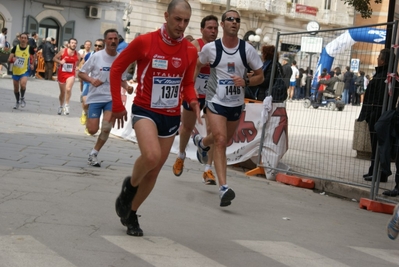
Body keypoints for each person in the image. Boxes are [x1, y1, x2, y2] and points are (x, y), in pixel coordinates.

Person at [110, 0, 201, 236]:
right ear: (166, 16)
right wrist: (118, 104)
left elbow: (188, 83)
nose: (181, 25)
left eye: (186, 21)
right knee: (151, 156)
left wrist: (192, 101)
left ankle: (131, 212)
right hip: (145, 110)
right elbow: (116, 69)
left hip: (170, 116)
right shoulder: (146, 41)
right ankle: (129, 188)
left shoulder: (190, 50)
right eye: (177, 19)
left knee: (154, 171)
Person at [193, 9, 263, 207]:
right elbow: (197, 65)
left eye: (237, 20)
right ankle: (223, 188)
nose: (234, 22)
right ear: (222, 24)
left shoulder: (247, 49)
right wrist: (191, 86)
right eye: (230, 19)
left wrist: (246, 80)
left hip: (236, 104)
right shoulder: (211, 48)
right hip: (215, 101)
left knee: (223, 139)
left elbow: (260, 75)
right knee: (221, 141)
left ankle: (202, 143)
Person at [172, 14, 218, 185]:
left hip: (212, 95)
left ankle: (208, 170)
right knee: (187, 128)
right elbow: (184, 66)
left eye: (215, 28)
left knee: (213, 132)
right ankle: (181, 156)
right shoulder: (194, 45)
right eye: (209, 28)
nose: (213, 31)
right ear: (202, 30)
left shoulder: (219, 47)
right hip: (194, 93)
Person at [79, 29, 131, 167]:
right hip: (96, 97)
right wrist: (91, 80)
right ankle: (86, 111)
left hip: (111, 98)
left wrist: (127, 87)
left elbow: (122, 79)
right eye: (110, 39)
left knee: (107, 127)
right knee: (92, 130)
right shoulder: (97, 56)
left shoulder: (121, 59)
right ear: (105, 41)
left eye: (115, 39)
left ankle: (94, 153)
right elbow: (81, 73)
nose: (113, 41)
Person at [358, 48, 399, 183]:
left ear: (383, 60)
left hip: (379, 116)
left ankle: (380, 172)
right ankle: (374, 170)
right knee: (377, 145)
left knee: (379, 145)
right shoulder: (387, 76)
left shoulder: (386, 78)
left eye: (379, 57)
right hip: (379, 115)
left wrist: (370, 114)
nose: (377, 59)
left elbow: (377, 99)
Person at [80, 38, 105, 134]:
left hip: (99, 84)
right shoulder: (89, 55)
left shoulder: (105, 57)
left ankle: (88, 127)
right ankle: (84, 113)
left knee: (93, 104)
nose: (97, 47)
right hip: (88, 81)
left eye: (100, 46)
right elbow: (81, 66)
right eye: (96, 45)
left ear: (103, 47)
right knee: (86, 103)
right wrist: (82, 80)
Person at [53, 38, 81, 115]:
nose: (73, 44)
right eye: (72, 43)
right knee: (62, 92)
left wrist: (77, 67)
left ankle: (67, 105)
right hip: (62, 73)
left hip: (71, 74)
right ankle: (61, 106)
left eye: (75, 43)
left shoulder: (77, 54)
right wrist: (60, 61)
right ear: (69, 44)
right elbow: (54, 58)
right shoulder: (63, 51)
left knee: (68, 89)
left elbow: (78, 61)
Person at [7, 32, 35, 109]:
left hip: (25, 70)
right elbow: (9, 60)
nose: (23, 39)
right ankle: (17, 101)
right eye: (21, 38)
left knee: (23, 85)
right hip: (16, 71)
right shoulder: (15, 48)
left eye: (25, 38)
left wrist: (32, 64)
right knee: (16, 88)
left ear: (27, 40)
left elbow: (33, 56)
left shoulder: (30, 48)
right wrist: (13, 59)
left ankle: (22, 97)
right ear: (19, 39)